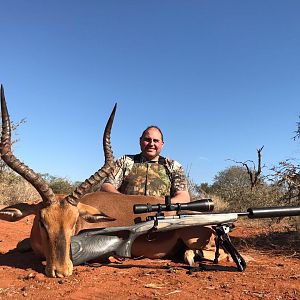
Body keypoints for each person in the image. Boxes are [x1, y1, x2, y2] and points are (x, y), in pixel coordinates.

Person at [101, 125, 190, 203]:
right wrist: (126, 202)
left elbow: (184, 197)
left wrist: (164, 204)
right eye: (147, 140)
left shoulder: (173, 166)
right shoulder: (125, 161)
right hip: (127, 214)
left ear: (162, 144)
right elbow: (106, 186)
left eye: (156, 141)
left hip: (162, 217)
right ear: (140, 141)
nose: (151, 144)